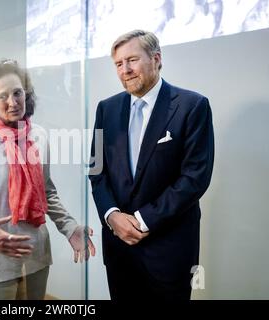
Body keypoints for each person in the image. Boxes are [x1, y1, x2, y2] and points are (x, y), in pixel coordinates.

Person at [89, 30, 214, 300]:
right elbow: (97, 171)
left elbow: (195, 177)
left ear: (156, 59)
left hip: (169, 249)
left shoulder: (192, 106)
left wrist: (142, 220)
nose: (125, 70)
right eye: (119, 64)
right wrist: (111, 215)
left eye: (132, 60)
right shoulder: (106, 109)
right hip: (119, 247)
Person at [0, 60, 95, 300]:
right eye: (2, 96)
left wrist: (69, 228)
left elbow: (46, 192)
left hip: (36, 254)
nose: (13, 102)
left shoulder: (39, 135)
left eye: (17, 93)